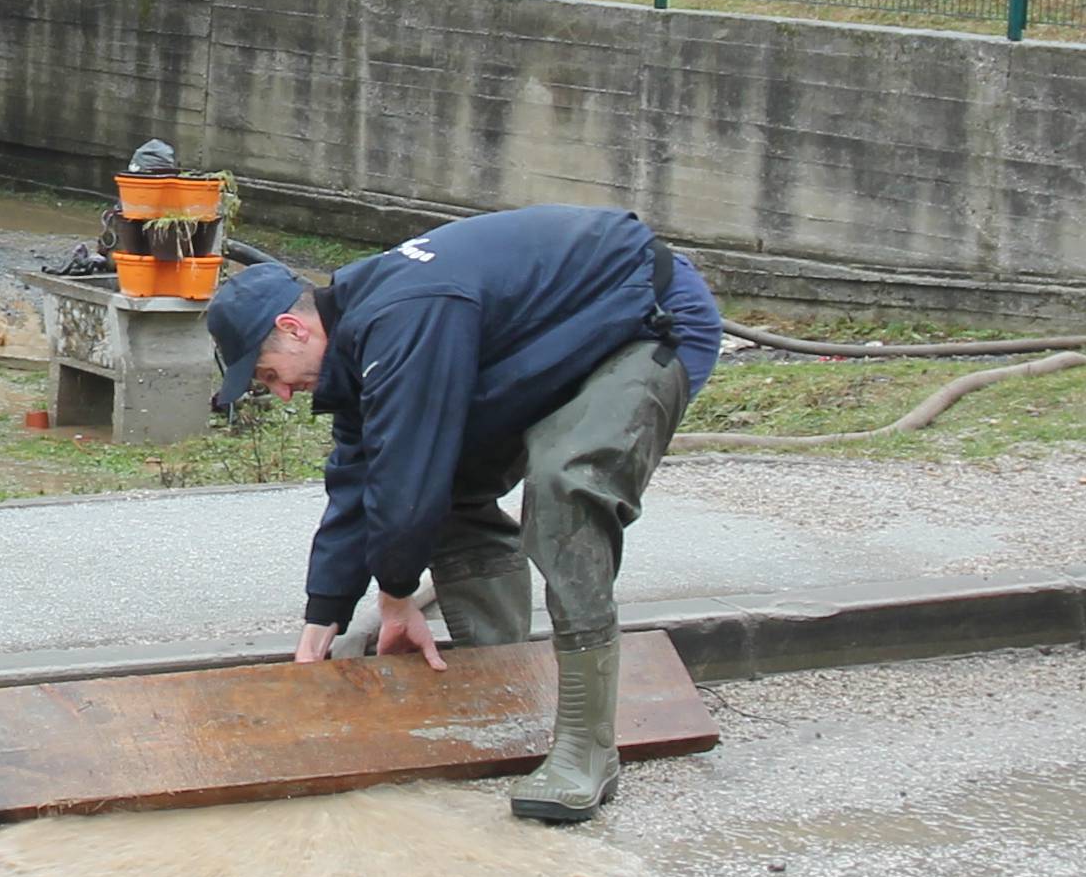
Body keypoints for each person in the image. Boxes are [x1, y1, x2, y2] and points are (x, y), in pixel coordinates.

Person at [205, 203, 725, 825]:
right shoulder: (360, 335)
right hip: (559, 341)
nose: (283, 393)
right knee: (440, 486)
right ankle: (500, 687)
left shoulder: (405, 315)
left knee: (565, 486)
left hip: (643, 323)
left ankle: (587, 750)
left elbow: (407, 473)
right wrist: (324, 616)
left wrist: (398, 596)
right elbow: (358, 476)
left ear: (294, 328)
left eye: (270, 376)